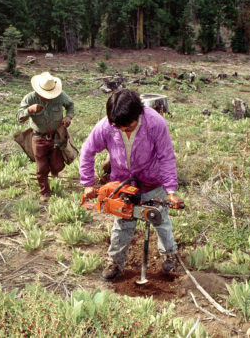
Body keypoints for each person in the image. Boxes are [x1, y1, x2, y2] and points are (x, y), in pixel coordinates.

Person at [79, 89, 184, 280]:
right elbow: (87, 151)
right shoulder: (107, 126)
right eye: (120, 127)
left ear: (138, 114)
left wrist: (170, 190)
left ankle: (168, 255)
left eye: (128, 126)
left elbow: (166, 156)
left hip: (152, 182)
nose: (124, 130)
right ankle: (116, 263)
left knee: (161, 221)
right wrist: (87, 183)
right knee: (122, 224)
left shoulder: (155, 123)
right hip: (123, 185)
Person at [17, 72, 75, 201]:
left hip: (57, 136)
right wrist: (29, 110)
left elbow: (70, 105)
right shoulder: (30, 98)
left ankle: (55, 171)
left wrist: (68, 117)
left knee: (58, 164)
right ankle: (44, 192)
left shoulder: (60, 96)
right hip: (38, 138)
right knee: (41, 167)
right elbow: (19, 116)